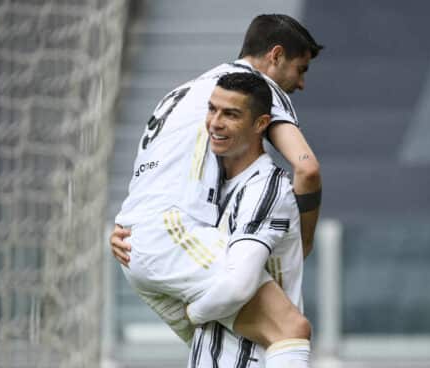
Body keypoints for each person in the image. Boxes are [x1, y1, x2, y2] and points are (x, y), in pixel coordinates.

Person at [110, 14, 323, 367]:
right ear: (275, 55)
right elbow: (306, 167)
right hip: (171, 235)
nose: (300, 84)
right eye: (300, 69)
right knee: (289, 328)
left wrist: (125, 231)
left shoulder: (182, 93)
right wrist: (303, 244)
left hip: (135, 240)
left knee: (221, 345)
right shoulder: (257, 90)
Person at [186, 72, 308, 367]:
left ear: (260, 124)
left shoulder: (266, 188)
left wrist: (190, 313)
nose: (215, 123)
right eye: (212, 109)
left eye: (231, 114)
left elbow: (237, 287)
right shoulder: (209, 182)